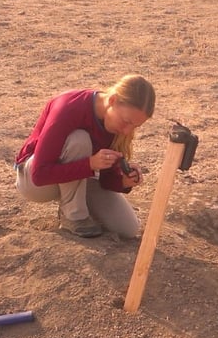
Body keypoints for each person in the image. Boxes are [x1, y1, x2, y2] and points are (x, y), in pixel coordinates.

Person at [14, 74, 155, 238]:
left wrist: (123, 181)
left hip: (79, 177)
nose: (127, 131)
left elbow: (105, 179)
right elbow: (39, 175)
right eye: (126, 121)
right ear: (112, 100)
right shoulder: (70, 107)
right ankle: (73, 216)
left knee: (128, 229)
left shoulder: (116, 124)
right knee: (79, 139)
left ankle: (75, 203)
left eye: (135, 126)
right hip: (35, 183)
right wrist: (90, 165)